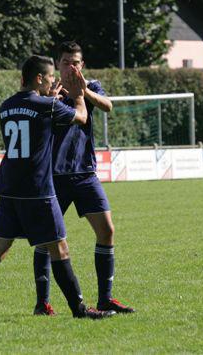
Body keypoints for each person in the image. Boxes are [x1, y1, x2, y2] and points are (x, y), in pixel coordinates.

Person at [0, 55, 115, 323]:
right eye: (51, 77)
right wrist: (78, 94)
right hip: (38, 189)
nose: (55, 81)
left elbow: (33, 119)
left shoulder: (5, 106)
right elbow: (80, 117)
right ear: (39, 78)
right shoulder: (47, 107)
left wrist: (51, 99)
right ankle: (80, 309)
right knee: (61, 250)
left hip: (9, 187)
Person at [32, 41, 135, 316]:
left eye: (75, 62)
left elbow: (108, 106)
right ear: (58, 64)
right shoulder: (48, 90)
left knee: (107, 230)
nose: (71, 67)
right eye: (66, 62)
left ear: (82, 65)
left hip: (85, 173)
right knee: (46, 239)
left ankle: (105, 299)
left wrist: (84, 90)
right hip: (54, 176)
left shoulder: (91, 86)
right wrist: (52, 98)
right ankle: (42, 303)